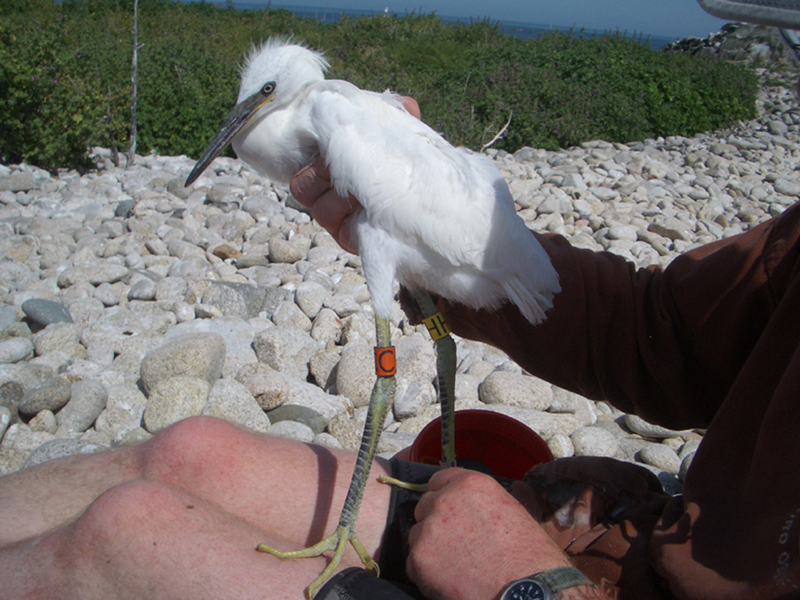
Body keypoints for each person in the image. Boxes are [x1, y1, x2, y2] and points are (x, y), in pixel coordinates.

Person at [3, 5, 800, 599]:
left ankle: (352, 521)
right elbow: (654, 330)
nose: (239, 126)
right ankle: (436, 470)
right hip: (600, 532)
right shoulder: (326, 119)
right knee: (186, 453)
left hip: (551, 578)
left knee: (121, 536)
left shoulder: (335, 115)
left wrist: (527, 586)